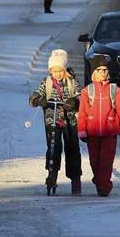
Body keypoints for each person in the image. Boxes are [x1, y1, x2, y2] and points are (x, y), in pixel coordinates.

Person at [29, 49, 82, 195]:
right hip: (51, 118)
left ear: (65, 70)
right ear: (50, 71)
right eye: (54, 71)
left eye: (60, 71)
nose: (57, 74)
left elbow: (81, 96)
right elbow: (35, 95)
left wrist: (74, 102)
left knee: (72, 147)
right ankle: (52, 174)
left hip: (70, 119)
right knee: (53, 146)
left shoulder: (72, 82)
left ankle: (75, 178)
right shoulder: (46, 83)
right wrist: (38, 100)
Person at [77, 55, 120, 197]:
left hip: (109, 133)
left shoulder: (115, 90)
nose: (103, 72)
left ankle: (104, 187)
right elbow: (82, 112)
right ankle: (99, 181)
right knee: (95, 161)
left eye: (105, 70)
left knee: (106, 161)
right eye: (99, 70)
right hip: (92, 133)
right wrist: (82, 130)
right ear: (94, 73)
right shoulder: (87, 91)